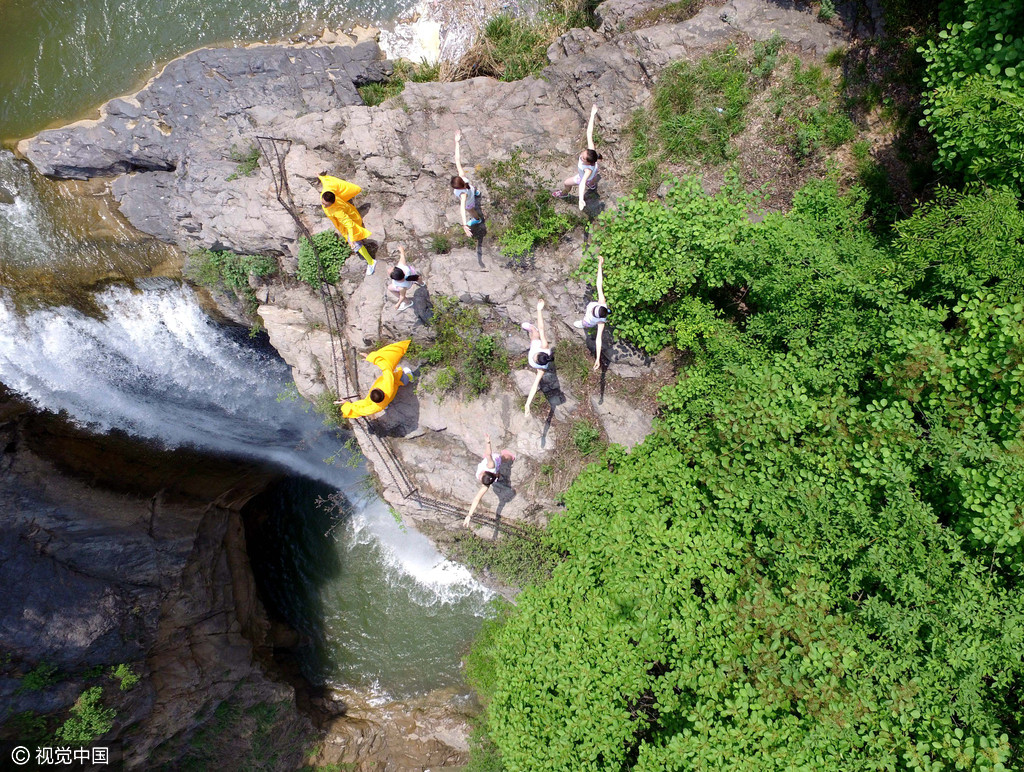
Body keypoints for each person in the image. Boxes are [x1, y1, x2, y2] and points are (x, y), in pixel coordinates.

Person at [335, 340, 413, 418]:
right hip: (392, 387)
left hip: (385, 402)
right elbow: (386, 368)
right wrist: (372, 358)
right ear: (381, 392)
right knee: (402, 375)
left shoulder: (376, 407)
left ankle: (387, 403)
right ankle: (407, 376)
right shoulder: (387, 385)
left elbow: (362, 410)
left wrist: (346, 404)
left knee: (403, 378)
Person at [318, 174, 375, 275]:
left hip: (352, 220)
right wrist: (320, 176)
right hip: (349, 214)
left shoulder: (337, 211)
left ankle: (371, 262)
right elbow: (326, 181)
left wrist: (352, 239)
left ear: (332, 202)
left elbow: (349, 224)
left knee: (355, 245)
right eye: (323, 202)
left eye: (326, 205)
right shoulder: (327, 190)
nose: (324, 206)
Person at [552, 104, 601, 211]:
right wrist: (592, 114)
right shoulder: (591, 151)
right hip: (594, 171)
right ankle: (592, 185)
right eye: (583, 154)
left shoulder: (587, 170)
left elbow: (582, 183)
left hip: (584, 176)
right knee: (591, 179)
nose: (581, 156)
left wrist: (581, 199)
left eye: (583, 158)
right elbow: (589, 132)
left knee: (566, 183)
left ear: (588, 163)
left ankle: (564, 193)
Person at [463, 433, 516, 527]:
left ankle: (509, 457)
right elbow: (488, 454)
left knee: (503, 458)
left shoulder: (488, 476)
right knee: (500, 458)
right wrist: (488, 442)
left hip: (496, 461)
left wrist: (469, 515)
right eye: (481, 475)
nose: (479, 475)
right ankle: (508, 457)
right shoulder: (489, 467)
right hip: (494, 460)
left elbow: (477, 498)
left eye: (480, 477)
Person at [574, 254, 609, 370]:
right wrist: (600, 265)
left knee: (585, 324)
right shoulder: (601, 301)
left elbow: (599, 340)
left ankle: (582, 325)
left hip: (588, 322)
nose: (593, 310)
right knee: (586, 319)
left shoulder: (600, 322)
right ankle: (583, 323)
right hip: (590, 317)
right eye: (594, 309)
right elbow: (599, 283)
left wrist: (598, 358)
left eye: (594, 311)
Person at [522, 299, 553, 415]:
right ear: (540, 353)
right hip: (535, 345)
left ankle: (531, 331)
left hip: (534, 348)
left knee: (533, 340)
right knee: (536, 334)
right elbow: (542, 328)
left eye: (535, 360)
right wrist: (539, 310)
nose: (534, 357)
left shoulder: (541, 369)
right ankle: (531, 328)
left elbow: (534, 386)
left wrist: (527, 404)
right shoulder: (544, 346)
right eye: (535, 357)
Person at [452, 130, 483, 238]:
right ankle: (477, 192)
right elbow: (457, 159)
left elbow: (462, 209)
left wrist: (464, 224)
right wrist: (457, 142)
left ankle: (477, 220)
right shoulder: (462, 177)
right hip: (471, 189)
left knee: (471, 210)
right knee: (474, 190)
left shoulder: (463, 195)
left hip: (469, 201)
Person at [388, 244, 423, 312]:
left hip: (407, 285)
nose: (389, 269)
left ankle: (408, 303)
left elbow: (402, 296)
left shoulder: (401, 287)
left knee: (390, 288)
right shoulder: (402, 266)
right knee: (418, 278)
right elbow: (403, 256)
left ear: (395, 279)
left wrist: (398, 304)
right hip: (412, 278)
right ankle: (421, 284)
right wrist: (401, 250)